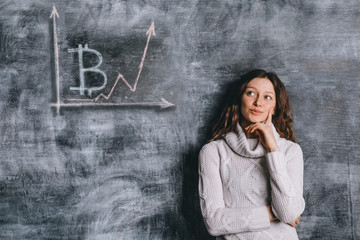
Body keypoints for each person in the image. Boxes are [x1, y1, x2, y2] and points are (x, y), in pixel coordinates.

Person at [198, 69, 305, 239]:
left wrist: (273, 150)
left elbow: (290, 213)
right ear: (239, 99)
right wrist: (273, 213)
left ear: (275, 107)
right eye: (251, 93)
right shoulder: (213, 152)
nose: (258, 103)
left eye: (267, 97)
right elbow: (214, 222)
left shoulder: (290, 151)